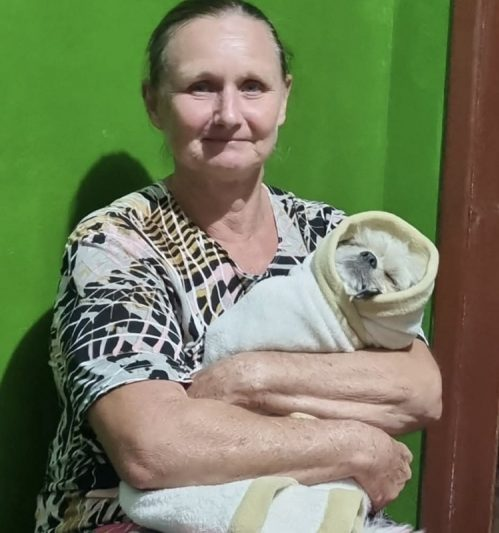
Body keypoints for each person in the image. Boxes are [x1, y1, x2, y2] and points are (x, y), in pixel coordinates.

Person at [35, 1, 442, 531]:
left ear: (284, 99)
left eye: (252, 86)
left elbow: (420, 389)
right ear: (154, 104)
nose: (229, 114)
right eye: (201, 87)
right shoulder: (115, 244)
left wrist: (246, 379)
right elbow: (152, 448)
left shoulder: (328, 234)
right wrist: (357, 444)